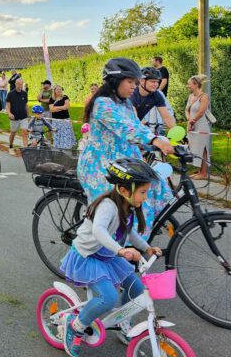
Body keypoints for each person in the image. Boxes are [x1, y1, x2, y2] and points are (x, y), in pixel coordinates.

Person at [60, 158, 163, 357]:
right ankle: (76, 326)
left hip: (107, 255)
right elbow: (99, 230)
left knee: (137, 289)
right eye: (143, 192)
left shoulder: (127, 206)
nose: (145, 196)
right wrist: (120, 251)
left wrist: (146, 248)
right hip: (89, 257)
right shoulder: (107, 205)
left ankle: (123, 321)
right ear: (124, 190)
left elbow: (130, 232)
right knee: (108, 298)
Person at [78, 58, 174, 239]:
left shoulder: (125, 103)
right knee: (115, 210)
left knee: (153, 186)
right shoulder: (102, 103)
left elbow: (136, 126)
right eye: (130, 81)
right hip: (101, 164)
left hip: (124, 160)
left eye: (135, 82)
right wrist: (154, 140)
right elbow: (125, 127)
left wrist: (161, 143)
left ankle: (133, 245)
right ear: (115, 81)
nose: (134, 87)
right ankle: (103, 250)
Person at [131, 67, 176, 136]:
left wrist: (177, 133)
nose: (156, 84)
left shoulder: (156, 94)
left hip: (134, 126)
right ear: (142, 81)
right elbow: (134, 118)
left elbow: (166, 117)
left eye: (157, 82)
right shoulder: (132, 93)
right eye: (152, 81)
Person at [185, 74, 212, 180]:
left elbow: (201, 111)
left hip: (201, 125)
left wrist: (193, 121)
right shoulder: (191, 96)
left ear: (196, 84)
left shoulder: (204, 96)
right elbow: (187, 110)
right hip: (192, 124)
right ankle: (199, 170)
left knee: (203, 149)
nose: (188, 86)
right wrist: (189, 120)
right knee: (195, 148)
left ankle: (204, 173)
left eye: (189, 84)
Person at [49, 84, 76, 150]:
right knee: (57, 135)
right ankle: (58, 148)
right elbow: (51, 110)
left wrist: (56, 107)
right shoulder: (51, 99)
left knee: (66, 134)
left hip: (65, 119)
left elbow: (67, 106)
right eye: (57, 89)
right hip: (56, 121)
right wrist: (62, 107)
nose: (59, 90)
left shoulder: (65, 97)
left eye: (60, 89)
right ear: (54, 91)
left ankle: (67, 148)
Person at [6, 77, 29, 152]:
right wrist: (9, 113)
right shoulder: (10, 94)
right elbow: (7, 106)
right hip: (14, 118)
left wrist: (28, 113)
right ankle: (10, 146)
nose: (20, 86)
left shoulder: (24, 93)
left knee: (25, 132)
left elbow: (25, 104)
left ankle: (26, 149)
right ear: (15, 84)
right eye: (18, 84)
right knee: (13, 133)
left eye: (21, 84)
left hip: (23, 117)